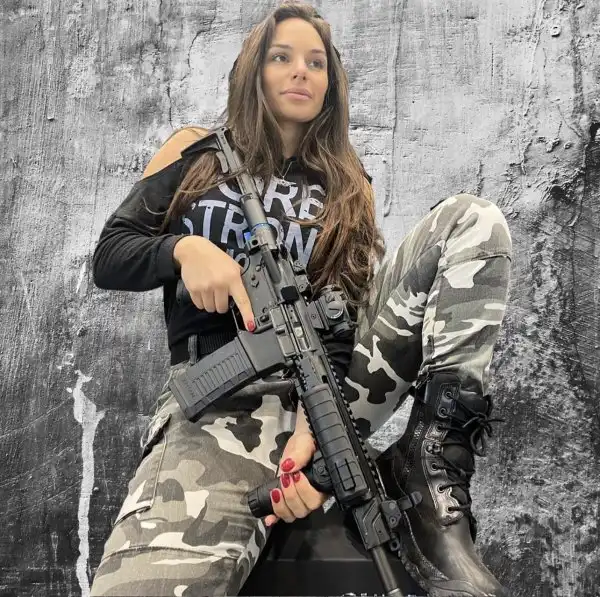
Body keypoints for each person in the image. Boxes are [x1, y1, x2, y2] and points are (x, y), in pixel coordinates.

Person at [89, 2, 513, 596]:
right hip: (224, 401)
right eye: (281, 57)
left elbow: (347, 314)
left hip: (335, 393)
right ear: (253, 71)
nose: (300, 72)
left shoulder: (347, 183)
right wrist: (184, 250)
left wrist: (319, 440)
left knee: (472, 221)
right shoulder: (196, 152)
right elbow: (110, 254)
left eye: (317, 63)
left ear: (330, 85)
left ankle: (431, 461)